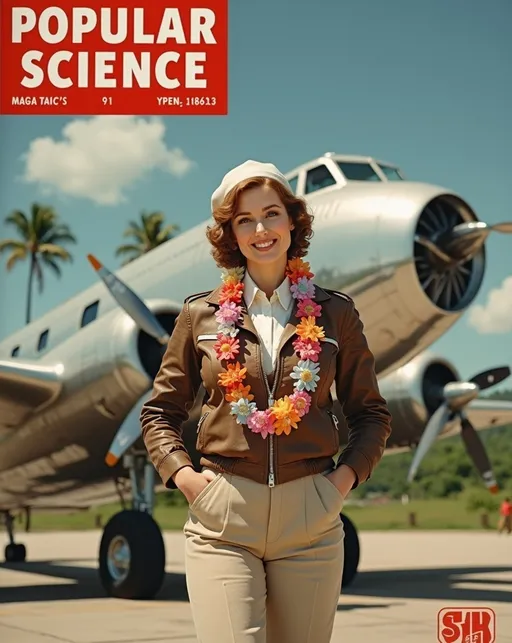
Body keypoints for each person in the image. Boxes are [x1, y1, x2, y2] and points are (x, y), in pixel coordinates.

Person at [140, 160, 392, 643]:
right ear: (230, 234)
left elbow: (370, 414)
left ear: (292, 220)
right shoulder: (200, 316)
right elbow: (159, 412)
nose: (260, 229)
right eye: (244, 219)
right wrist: (188, 480)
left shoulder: (336, 313)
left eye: (271, 213)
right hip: (224, 518)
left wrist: (340, 483)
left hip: (311, 518)